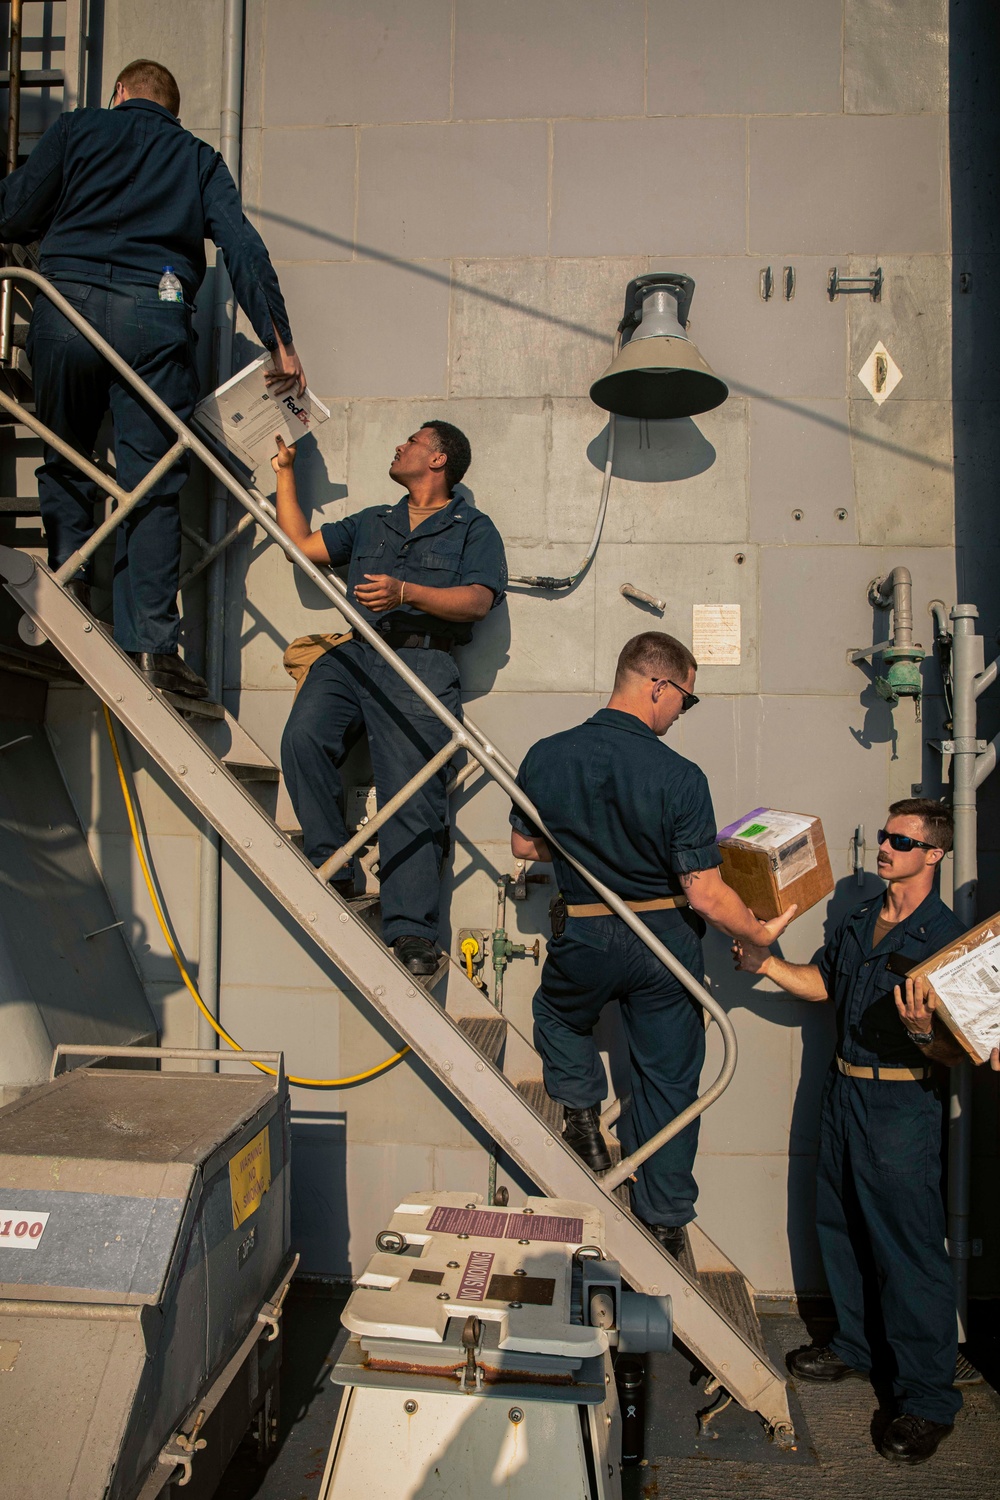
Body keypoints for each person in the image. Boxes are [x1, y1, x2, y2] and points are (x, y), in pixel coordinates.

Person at [0, 58, 305, 699]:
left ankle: (69, 598)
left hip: (65, 311)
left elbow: (15, 215)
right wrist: (280, 341)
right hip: (155, 319)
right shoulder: (198, 158)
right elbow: (242, 247)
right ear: (173, 110)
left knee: (65, 455)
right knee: (155, 485)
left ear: (120, 94)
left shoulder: (79, 129)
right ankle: (154, 650)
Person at [508, 632, 796, 1256]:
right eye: (685, 701)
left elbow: (525, 847)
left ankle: (583, 1120)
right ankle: (664, 1221)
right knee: (669, 1082)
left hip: (585, 925)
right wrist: (758, 932)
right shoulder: (681, 777)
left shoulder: (545, 756)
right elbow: (705, 894)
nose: (681, 713)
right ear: (658, 685)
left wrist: (585, 836)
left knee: (558, 1016)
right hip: (665, 938)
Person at [733, 799, 966, 1465]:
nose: (885, 848)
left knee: (910, 1253)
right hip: (842, 1093)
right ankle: (855, 1348)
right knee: (837, 1223)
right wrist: (765, 966)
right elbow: (824, 984)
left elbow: (957, 1050)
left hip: (900, 1109)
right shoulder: (863, 918)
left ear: (934, 855)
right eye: (886, 836)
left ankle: (925, 1401)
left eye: (902, 840)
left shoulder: (945, 937)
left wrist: (927, 1035)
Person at [275, 421, 507, 976]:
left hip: (423, 662)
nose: (398, 444)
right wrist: (284, 476)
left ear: (439, 460)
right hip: (357, 652)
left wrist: (407, 592)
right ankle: (335, 865)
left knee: (413, 793)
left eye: (412, 441)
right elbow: (302, 547)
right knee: (302, 737)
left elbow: (477, 600)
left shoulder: (472, 527)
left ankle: (410, 931)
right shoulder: (373, 521)